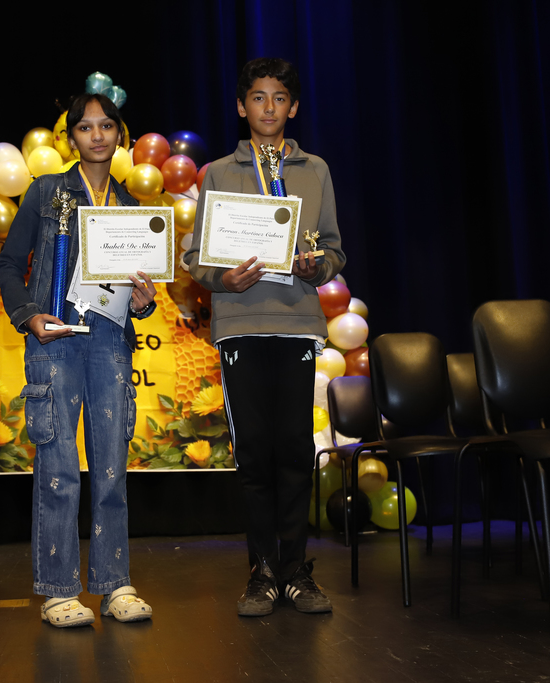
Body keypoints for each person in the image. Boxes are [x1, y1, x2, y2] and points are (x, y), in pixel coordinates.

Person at [184, 58, 345, 616]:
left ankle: (297, 569)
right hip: (240, 325)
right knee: (253, 452)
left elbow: (335, 249)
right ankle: (262, 571)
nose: (269, 107)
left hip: (297, 322)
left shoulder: (315, 169)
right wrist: (220, 277)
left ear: (293, 107)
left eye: (280, 98)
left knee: (297, 449)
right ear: (241, 106)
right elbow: (193, 256)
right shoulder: (218, 172)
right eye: (258, 97)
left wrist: (316, 265)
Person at [0, 92, 157, 628]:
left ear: (119, 135)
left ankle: (115, 584)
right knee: (59, 468)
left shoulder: (132, 209)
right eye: (85, 128)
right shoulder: (46, 192)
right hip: (55, 341)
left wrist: (145, 299)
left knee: (111, 470)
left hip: (110, 342)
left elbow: (142, 292)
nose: (96, 135)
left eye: (106, 126)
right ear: (71, 139)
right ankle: (60, 590)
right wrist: (28, 315)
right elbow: (8, 264)